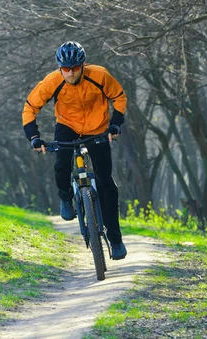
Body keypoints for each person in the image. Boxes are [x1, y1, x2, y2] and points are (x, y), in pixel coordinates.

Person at [22, 41, 128, 260]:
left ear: (83, 65)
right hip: (67, 126)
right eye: (65, 69)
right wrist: (34, 138)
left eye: (75, 68)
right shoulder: (52, 81)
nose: (70, 73)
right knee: (61, 165)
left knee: (106, 183)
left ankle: (115, 239)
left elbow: (119, 97)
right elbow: (30, 107)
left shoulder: (100, 75)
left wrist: (116, 124)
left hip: (97, 129)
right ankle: (65, 197)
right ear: (60, 67)